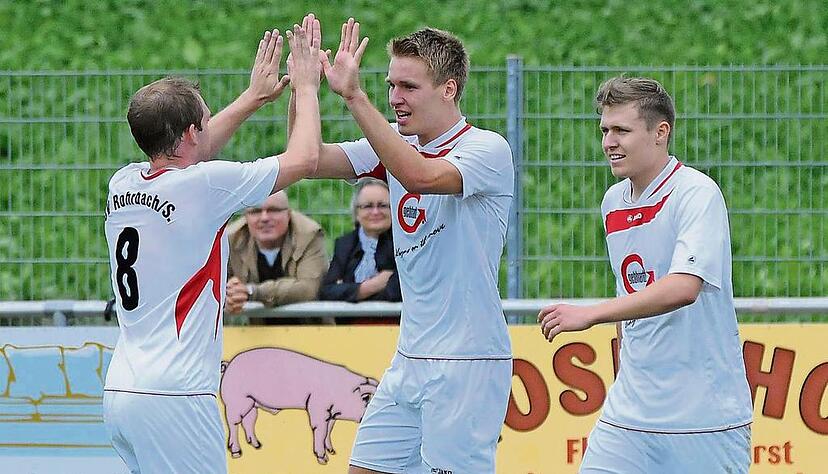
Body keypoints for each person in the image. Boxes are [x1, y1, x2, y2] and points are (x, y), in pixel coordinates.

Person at [293, 14, 514, 473]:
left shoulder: (485, 149)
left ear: (449, 89)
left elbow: (420, 175)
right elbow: (308, 159)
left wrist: (354, 96)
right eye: (390, 85)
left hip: (466, 360)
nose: (395, 98)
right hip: (410, 357)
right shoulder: (392, 141)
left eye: (408, 87)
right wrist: (305, 89)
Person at [102, 24, 321, 474]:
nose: (210, 124)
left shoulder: (122, 182)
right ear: (189, 133)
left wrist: (252, 99)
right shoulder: (203, 186)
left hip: (123, 391)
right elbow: (305, 159)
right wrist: (306, 86)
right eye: (205, 118)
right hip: (176, 396)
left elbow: (190, 150)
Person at [538, 76, 753, 473]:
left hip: (702, 419)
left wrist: (590, 313)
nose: (608, 142)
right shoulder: (613, 201)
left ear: (660, 133)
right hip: (629, 416)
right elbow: (630, 298)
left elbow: (684, 287)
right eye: (604, 130)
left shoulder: (696, 192)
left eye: (621, 130)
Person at [224, 190, 330, 324]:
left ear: (288, 214)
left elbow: (308, 288)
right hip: (255, 334)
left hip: (308, 329)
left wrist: (253, 292)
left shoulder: (310, 235)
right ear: (246, 217)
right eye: (256, 211)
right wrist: (230, 293)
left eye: (273, 210)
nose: (264, 218)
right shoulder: (230, 240)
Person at [319, 177, 401, 324]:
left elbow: (396, 292)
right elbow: (327, 292)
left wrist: (348, 291)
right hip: (350, 331)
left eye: (383, 206)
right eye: (368, 206)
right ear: (356, 212)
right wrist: (372, 285)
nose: (375, 212)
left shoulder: (403, 243)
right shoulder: (344, 244)